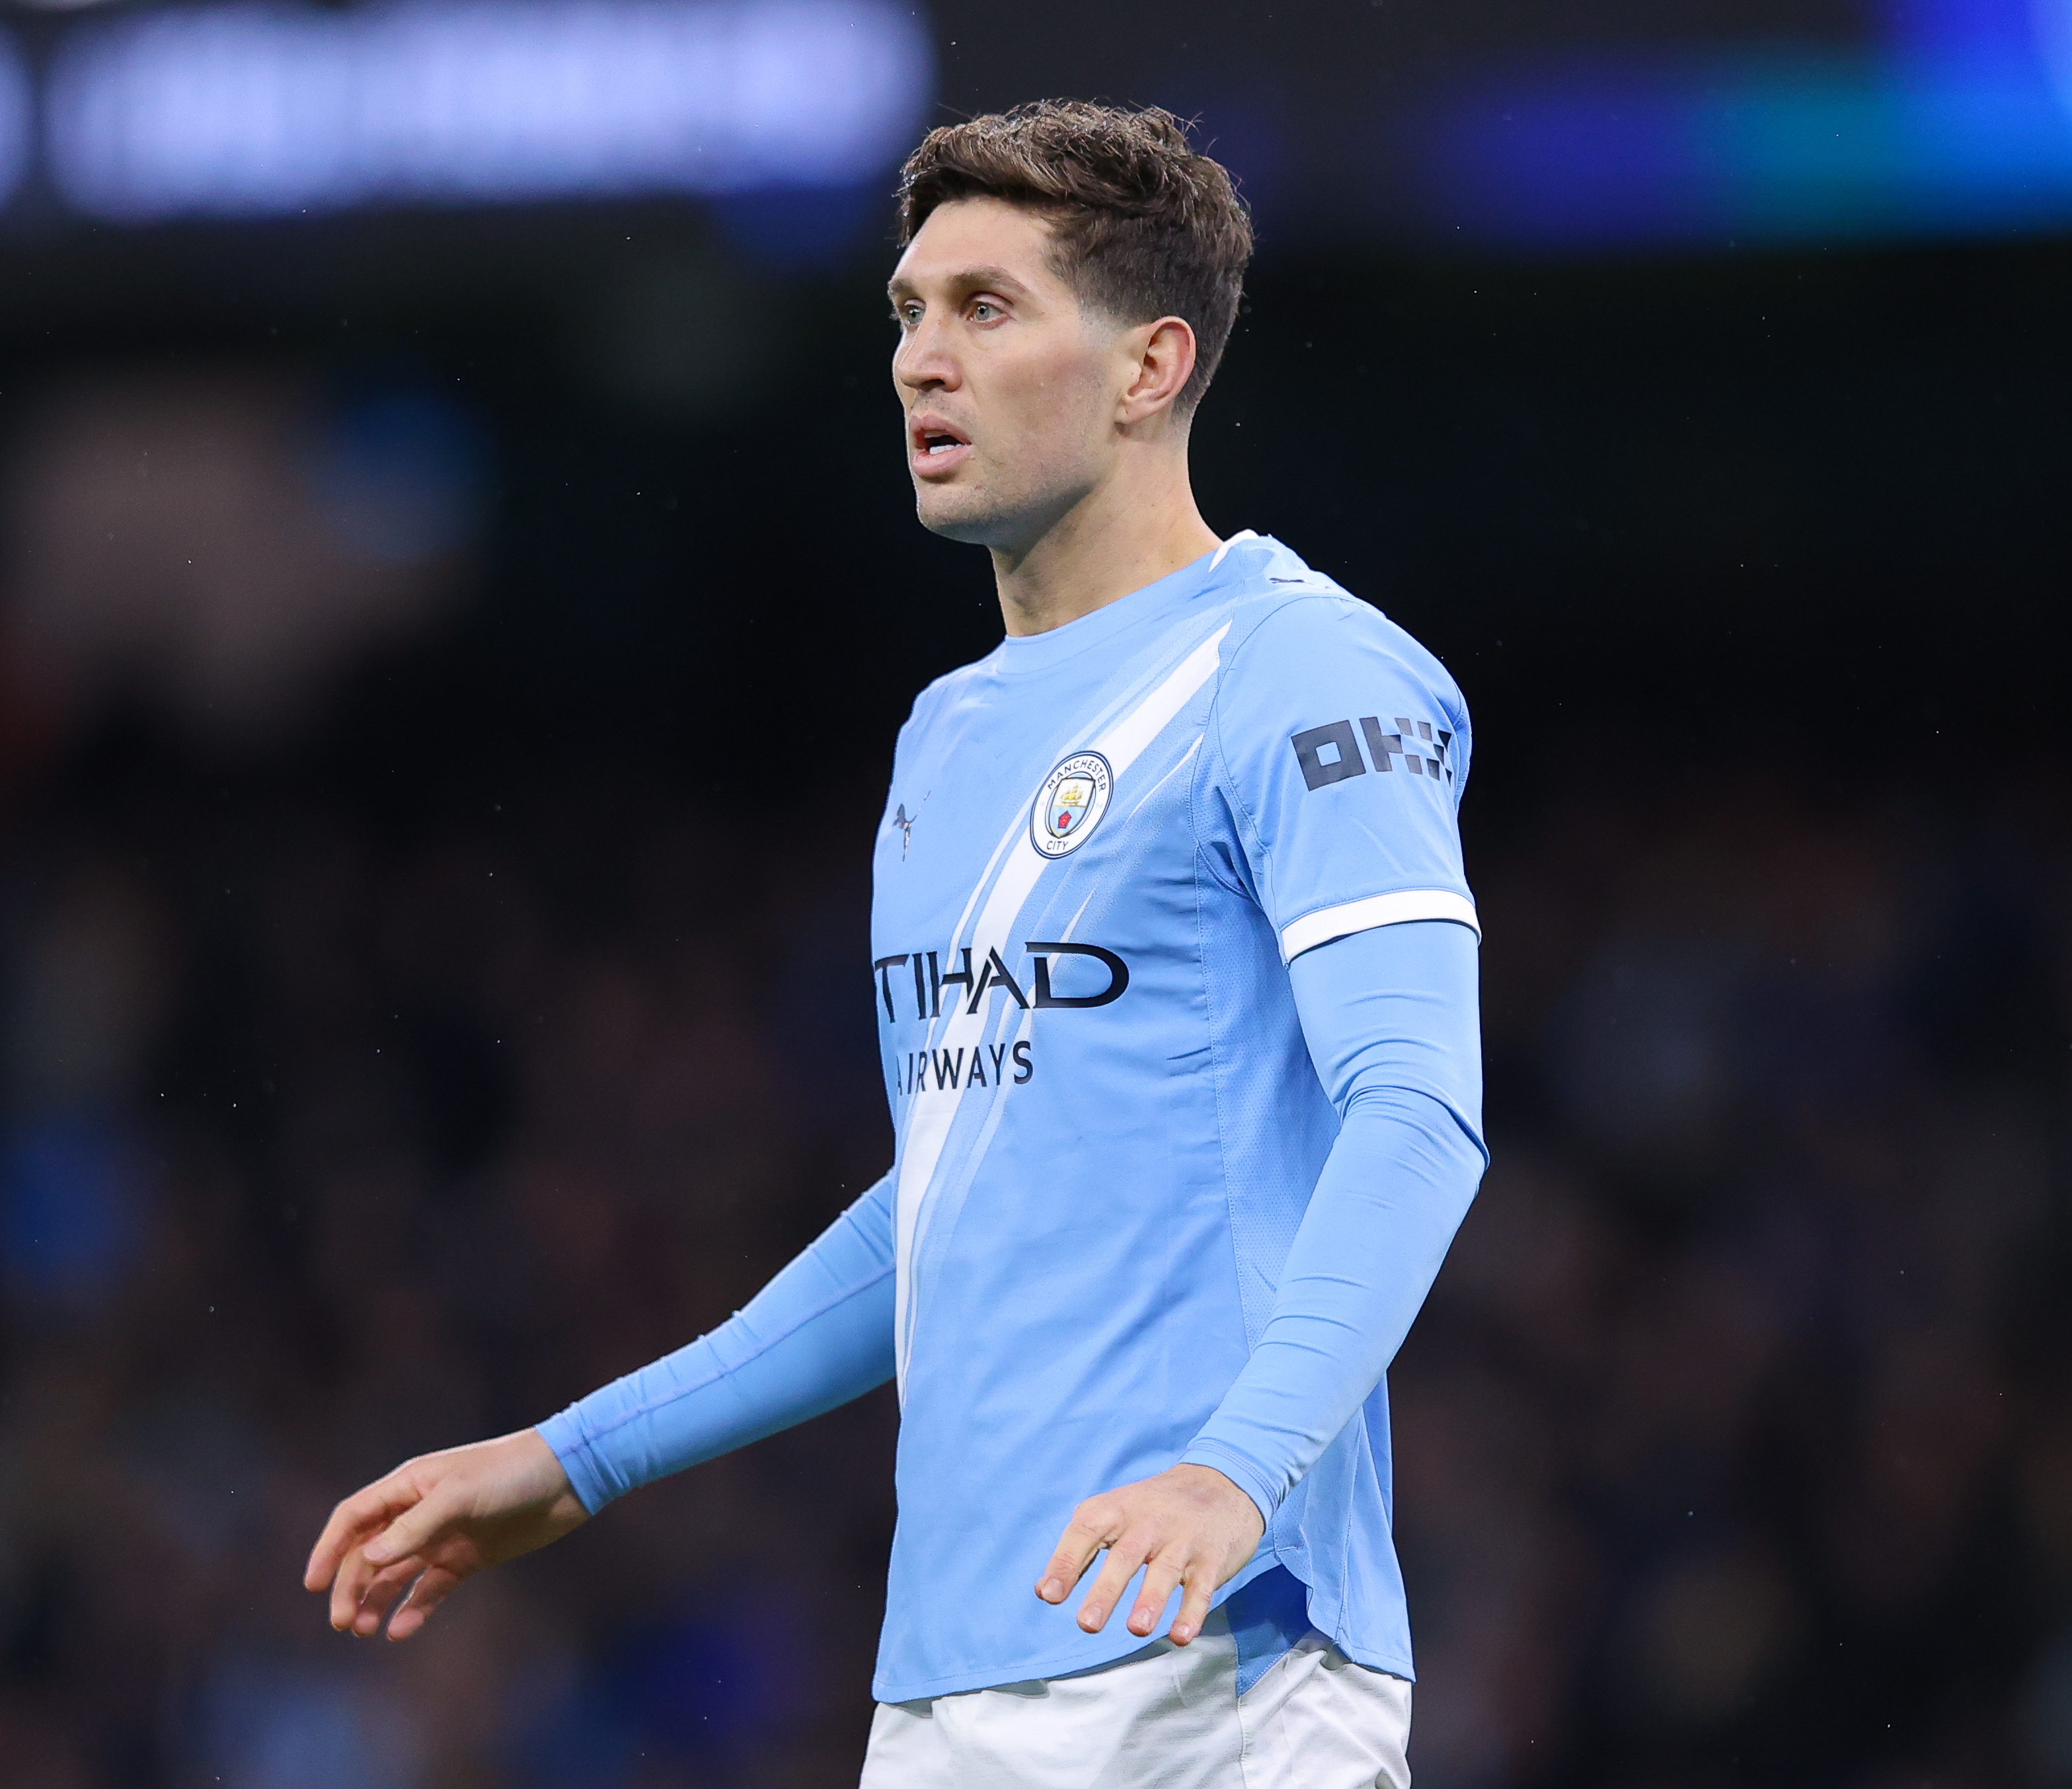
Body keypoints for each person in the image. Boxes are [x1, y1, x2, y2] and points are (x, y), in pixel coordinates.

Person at [307, 100, 1486, 1787]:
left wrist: (1231, 1470)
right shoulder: (945, 737)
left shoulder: (1303, 672)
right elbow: (941, 1206)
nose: (919, 361)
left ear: (1150, 366)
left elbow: (1416, 1111)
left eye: (984, 309)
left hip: (1223, 1657)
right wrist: (577, 1459)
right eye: (906, 312)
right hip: (949, 1679)